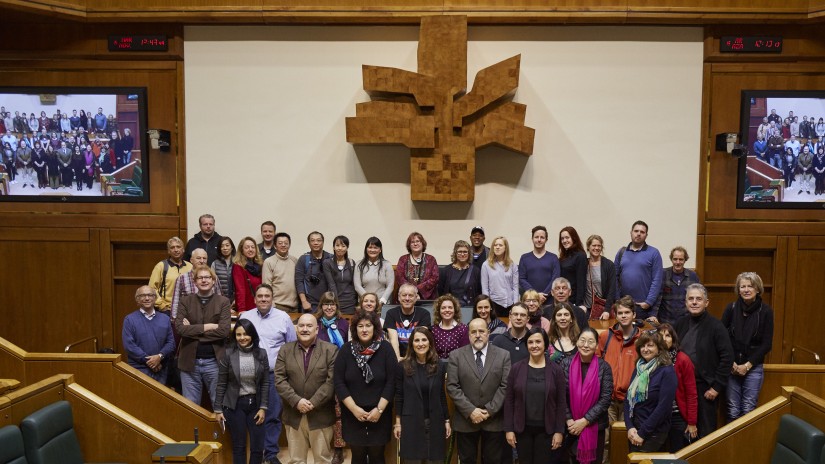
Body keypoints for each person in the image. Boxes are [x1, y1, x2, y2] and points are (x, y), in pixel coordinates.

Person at [240, 284, 298, 464]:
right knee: (252, 415)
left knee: (272, 415)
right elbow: (237, 342)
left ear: (272, 299)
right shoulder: (246, 317)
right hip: (248, 375)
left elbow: (291, 347)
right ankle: (257, 452)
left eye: (267, 296)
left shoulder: (283, 318)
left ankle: (270, 454)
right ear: (255, 298)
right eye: (260, 296)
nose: (263, 299)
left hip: (274, 375)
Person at [334, 311, 398, 464]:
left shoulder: (386, 349)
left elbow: (392, 381)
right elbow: (339, 383)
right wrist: (354, 409)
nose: (364, 329)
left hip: (380, 415)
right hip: (353, 415)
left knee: (377, 456)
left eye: (368, 326)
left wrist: (379, 409)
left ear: (375, 328)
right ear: (354, 329)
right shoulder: (345, 350)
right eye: (360, 326)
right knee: (357, 456)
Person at [275, 314, 338, 464]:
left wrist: (312, 402)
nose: (305, 329)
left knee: (323, 459)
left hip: (320, 414)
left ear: (317, 329)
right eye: (301, 326)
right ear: (296, 329)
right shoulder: (285, 350)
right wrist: (297, 401)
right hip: (293, 414)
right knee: (296, 460)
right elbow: (279, 380)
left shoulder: (330, 350)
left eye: (309, 326)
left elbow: (332, 382)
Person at [446, 318, 511, 464]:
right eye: (473, 332)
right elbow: (452, 386)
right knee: (467, 460)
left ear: (488, 333)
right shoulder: (456, 355)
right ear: (468, 335)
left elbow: (505, 386)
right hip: (466, 420)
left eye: (481, 331)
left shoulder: (503, 355)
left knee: (493, 460)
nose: (477, 335)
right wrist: (471, 411)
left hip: (494, 420)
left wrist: (489, 410)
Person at [674, 284, 734, 438]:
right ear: (686, 302)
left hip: (705, 389)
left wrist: (716, 387)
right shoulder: (680, 324)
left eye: (698, 299)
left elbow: (727, 358)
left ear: (706, 302)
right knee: (681, 433)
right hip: (681, 388)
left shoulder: (716, 326)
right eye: (691, 299)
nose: (694, 302)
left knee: (705, 434)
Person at [504, 327, 566, 464]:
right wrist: (508, 429)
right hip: (522, 430)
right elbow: (509, 401)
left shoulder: (556, 370)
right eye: (530, 342)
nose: (534, 346)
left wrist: (559, 431)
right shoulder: (516, 368)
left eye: (538, 342)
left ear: (545, 344)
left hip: (546, 431)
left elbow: (561, 403)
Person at [214, 319, 270, 464]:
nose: (242, 338)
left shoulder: (262, 354)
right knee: (239, 447)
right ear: (235, 337)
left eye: (245, 334)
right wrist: (218, 409)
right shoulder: (228, 354)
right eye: (238, 335)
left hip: (256, 406)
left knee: (257, 448)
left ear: (252, 335)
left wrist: (263, 407)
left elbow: (265, 383)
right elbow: (221, 383)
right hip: (235, 405)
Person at [175, 265, 232, 406]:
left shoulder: (223, 302)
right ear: (194, 282)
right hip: (189, 363)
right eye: (200, 278)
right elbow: (180, 329)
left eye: (207, 277)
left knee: (219, 405)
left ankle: (219, 430)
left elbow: (223, 331)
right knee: (190, 407)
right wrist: (209, 327)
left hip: (215, 363)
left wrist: (192, 330)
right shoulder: (185, 301)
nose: (204, 280)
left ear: (213, 281)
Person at [721, 272, 774, 421]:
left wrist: (747, 365)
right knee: (732, 409)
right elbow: (720, 338)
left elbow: (766, 344)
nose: (746, 289)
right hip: (732, 366)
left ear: (757, 289)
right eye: (742, 286)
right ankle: (731, 444)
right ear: (738, 290)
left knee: (748, 409)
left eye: (750, 286)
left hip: (753, 367)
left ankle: (744, 444)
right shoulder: (730, 308)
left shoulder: (766, 311)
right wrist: (731, 362)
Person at [394, 326, 451, 464]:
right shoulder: (403, 366)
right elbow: (399, 396)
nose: (420, 344)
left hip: (435, 423)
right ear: (412, 344)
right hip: (411, 423)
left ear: (430, 342)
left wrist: (447, 420)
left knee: (435, 461)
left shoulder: (439, 366)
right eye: (416, 340)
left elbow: (441, 395)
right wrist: (398, 423)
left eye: (424, 340)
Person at [596, 296, 641, 463]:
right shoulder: (606, 336)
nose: (623, 316)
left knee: (626, 441)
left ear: (634, 315)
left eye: (627, 312)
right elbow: (596, 364)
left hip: (631, 401)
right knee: (605, 441)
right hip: (607, 400)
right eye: (620, 312)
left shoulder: (641, 339)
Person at [560, 328, 613, 464]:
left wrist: (585, 421)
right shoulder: (566, 363)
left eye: (590, 342)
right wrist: (568, 419)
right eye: (582, 340)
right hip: (571, 428)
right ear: (577, 342)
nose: (585, 345)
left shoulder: (604, 367)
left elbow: (605, 399)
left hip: (595, 427)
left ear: (596, 346)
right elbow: (560, 395)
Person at [624, 330, 677, 453]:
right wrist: (629, 427)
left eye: (650, 345)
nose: (645, 349)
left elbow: (663, 408)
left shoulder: (667, 371)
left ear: (659, 349)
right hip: (635, 430)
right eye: (642, 345)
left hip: (653, 433)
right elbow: (627, 399)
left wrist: (642, 433)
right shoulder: (639, 368)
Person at [313, 292, 349, 464]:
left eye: (332, 304)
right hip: (319, 374)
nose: (329, 307)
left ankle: (338, 449)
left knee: (338, 413)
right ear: (321, 306)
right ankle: (321, 448)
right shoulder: (316, 324)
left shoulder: (343, 324)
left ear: (337, 306)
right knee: (321, 412)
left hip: (340, 373)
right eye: (326, 304)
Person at [122, 286, 176, 383]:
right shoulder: (129, 320)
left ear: (155, 298)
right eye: (143, 295)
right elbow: (129, 346)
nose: (147, 298)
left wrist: (159, 357)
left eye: (150, 295)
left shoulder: (165, 319)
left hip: (161, 369)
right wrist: (151, 362)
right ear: (137, 299)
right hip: (138, 370)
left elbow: (171, 343)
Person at [657, 323, 698, 452]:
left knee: (677, 453)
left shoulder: (683, 360)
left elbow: (691, 393)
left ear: (673, 339)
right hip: (657, 415)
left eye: (668, 335)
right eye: (660, 335)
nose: (664, 339)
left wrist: (692, 422)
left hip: (677, 416)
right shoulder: (651, 359)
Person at [615, 220, 663, 323]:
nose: (638, 234)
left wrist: (648, 302)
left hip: (643, 307)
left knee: (641, 337)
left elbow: (657, 280)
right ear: (631, 232)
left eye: (642, 232)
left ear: (646, 235)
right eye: (636, 231)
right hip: (624, 307)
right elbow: (614, 276)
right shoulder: (622, 252)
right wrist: (617, 300)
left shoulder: (654, 253)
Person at [170, 248, 222, 320]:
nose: (202, 261)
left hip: (210, 319)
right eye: (198, 258)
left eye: (204, 258)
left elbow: (219, 299)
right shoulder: (182, 278)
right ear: (191, 260)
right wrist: (176, 320)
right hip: (187, 321)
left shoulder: (213, 277)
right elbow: (175, 302)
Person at [384, 283, 432, 360]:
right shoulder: (391, 313)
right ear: (399, 297)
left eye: (410, 295)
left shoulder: (424, 314)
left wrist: (408, 359)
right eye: (404, 295)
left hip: (417, 357)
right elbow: (393, 340)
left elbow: (420, 339)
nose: (407, 298)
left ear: (416, 298)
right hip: (397, 356)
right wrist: (397, 359)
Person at [655, 246, 701, 324]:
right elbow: (657, 297)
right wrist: (653, 315)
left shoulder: (693, 276)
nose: (678, 262)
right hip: (666, 321)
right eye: (675, 259)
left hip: (687, 321)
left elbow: (700, 297)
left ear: (685, 260)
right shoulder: (663, 274)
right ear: (671, 260)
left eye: (681, 259)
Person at [148, 237, 193, 313]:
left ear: (183, 249)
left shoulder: (190, 266)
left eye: (178, 247)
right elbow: (152, 288)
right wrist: (162, 306)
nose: (176, 250)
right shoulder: (161, 266)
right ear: (169, 251)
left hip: (186, 310)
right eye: (172, 248)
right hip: (167, 310)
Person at [518, 226, 560, 305]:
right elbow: (521, 278)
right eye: (536, 237)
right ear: (532, 239)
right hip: (530, 301)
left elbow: (555, 279)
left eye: (542, 237)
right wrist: (536, 295)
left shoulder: (553, 258)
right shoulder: (524, 258)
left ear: (546, 240)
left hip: (549, 301)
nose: (539, 240)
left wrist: (544, 294)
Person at [395, 232, 439, 301]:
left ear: (422, 243)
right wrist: (411, 292)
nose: (415, 244)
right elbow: (399, 277)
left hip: (427, 298)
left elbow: (434, 278)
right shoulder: (403, 259)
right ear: (409, 245)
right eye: (412, 242)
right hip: (407, 297)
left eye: (418, 241)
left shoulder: (431, 259)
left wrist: (418, 289)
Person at [481, 236, 520, 317]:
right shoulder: (486, 265)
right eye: (495, 245)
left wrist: (516, 305)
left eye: (500, 245)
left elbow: (515, 287)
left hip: (510, 304)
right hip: (494, 304)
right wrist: (488, 305)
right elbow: (485, 288)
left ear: (505, 248)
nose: (497, 247)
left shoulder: (512, 265)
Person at [296, 231, 332, 313]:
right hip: (309, 304)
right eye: (312, 240)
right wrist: (304, 301)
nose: (316, 243)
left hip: (328, 304)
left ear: (323, 242)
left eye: (319, 240)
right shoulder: (303, 259)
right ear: (309, 243)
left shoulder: (331, 258)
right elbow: (299, 281)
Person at [438, 240, 482, 307]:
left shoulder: (475, 271)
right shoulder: (446, 271)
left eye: (465, 252)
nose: (462, 254)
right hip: (451, 308)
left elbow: (479, 292)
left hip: (470, 308)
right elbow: (441, 292)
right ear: (455, 253)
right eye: (459, 252)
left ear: (469, 253)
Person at [263, 232, 300, 312]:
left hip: (295, 306)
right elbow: (267, 285)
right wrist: (271, 304)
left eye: (286, 243)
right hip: (277, 306)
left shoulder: (294, 260)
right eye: (280, 243)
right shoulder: (269, 262)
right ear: (275, 246)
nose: (283, 245)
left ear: (289, 245)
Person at [354, 236, 395, 306]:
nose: (372, 250)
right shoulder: (359, 265)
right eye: (370, 247)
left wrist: (382, 301)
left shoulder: (387, 264)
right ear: (366, 249)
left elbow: (390, 286)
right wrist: (368, 300)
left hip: (382, 303)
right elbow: (357, 286)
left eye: (375, 248)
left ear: (380, 250)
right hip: (365, 303)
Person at [584, 235, 616, 321]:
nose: (596, 248)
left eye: (599, 246)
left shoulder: (609, 265)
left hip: (602, 310)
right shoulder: (583, 264)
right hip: (586, 309)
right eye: (594, 245)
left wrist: (607, 310)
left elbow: (612, 290)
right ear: (588, 247)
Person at [323, 235, 358, 314]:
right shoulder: (327, 262)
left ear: (347, 248)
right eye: (337, 245)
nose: (340, 248)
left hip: (350, 301)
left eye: (343, 246)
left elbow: (353, 283)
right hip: (334, 301)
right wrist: (336, 302)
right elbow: (331, 284)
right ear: (333, 247)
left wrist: (356, 301)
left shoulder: (352, 262)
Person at [432, 294, 469, 360]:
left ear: (455, 310)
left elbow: (465, 354)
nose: (447, 310)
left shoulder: (463, 329)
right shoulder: (433, 329)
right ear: (439, 311)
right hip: (437, 366)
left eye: (450, 307)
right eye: (443, 308)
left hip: (457, 366)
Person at [232, 236, 264, 313]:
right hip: (247, 308)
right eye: (247, 247)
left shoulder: (260, 265)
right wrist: (242, 309)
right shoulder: (239, 266)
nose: (250, 249)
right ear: (242, 250)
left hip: (260, 306)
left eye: (252, 247)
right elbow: (240, 290)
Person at [558, 226, 588, 307]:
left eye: (567, 238)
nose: (564, 241)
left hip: (574, 301)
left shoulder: (580, 256)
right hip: (563, 299)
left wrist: (578, 304)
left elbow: (581, 282)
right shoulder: (563, 256)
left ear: (574, 238)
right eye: (562, 238)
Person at [211, 236, 236, 310]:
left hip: (235, 301)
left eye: (227, 245)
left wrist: (236, 300)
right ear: (219, 249)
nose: (225, 248)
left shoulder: (238, 262)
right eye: (222, 246)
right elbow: (212, 285)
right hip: (219, 301)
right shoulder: (214, 264)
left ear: (232, 247)